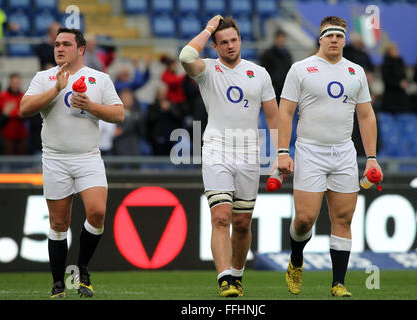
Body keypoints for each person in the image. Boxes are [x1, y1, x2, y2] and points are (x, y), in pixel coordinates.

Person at [277, 16, 383, 298]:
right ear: (320, 39)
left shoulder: (356, 71)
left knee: (344, 219)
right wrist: (283, 151)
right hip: (310, 150)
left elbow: (365, 114)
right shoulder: (301, 69)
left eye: (339, 35)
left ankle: (338, 284)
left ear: (345, 39)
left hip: (344, 152)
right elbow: (285, 111)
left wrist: (371, 157)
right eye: (329, 35)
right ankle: (296, 259)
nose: (334, 39)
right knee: (305, 219)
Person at [19, 28, 124, 299]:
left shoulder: (98, 79)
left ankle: (82, 270)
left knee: (97, 212)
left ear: (81, 50)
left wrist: (92, 107)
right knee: (58, 224)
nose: (59, 48)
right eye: (56, 44)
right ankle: (58, 283)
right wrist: (56, 89)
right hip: (55, 159)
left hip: (88, 157)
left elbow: (119, 114)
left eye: (66, 44)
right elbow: (24, 109)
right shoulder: (44, 78)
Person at [179, 16, 279, 297]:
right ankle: (224, 279)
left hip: (249, 152)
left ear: (241, 41)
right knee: (221, 217)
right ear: (215, 46)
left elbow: (272, 115)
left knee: (242, 223)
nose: (230, 45)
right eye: (223, 42)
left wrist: (278, 155)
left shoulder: (259, 73)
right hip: (216, 149)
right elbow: (186, 55)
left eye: (234, 40)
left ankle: (237, 275)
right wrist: (210, 27)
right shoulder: (207, 69)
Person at [146, 84, 183, 155]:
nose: (162, 96)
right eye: (160, 94)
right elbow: (150, 119)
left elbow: (179, 117)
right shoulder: (152, 107)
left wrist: (170, 109)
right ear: (157, 95)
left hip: (171, 138)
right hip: (156, 138)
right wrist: (161, 110)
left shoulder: (172, 105)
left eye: (163, 94)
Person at [259, 29, 293, 104]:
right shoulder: (267, 54)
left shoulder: (287, 54)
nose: (281, 41)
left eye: (283, 39)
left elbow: (290, 70)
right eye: (279, 39)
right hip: (272, 90)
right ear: (275, 39)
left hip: (284, 90)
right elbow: (263, 71)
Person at [0, 73, 27, 155]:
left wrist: (11, 112)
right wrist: (17, 112)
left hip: (22, 134)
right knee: (8, 158)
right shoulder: (2, 96)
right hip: (7, 134)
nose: (16, 85)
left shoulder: (24, 96)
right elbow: (3, 113)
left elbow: (26, 111)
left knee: (21, 159)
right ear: (10, 83)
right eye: (14, 82)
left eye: (17, 83)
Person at [380, 42, 410, 113]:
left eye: (396, 50)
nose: (396, 52)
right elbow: (387, 79)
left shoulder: (400, 61)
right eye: (393, 50)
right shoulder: (386, 63)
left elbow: (404, 75)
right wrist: (399, 84)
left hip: (401, 95)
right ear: (388, 51)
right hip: (390, 95)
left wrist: (405, 82)